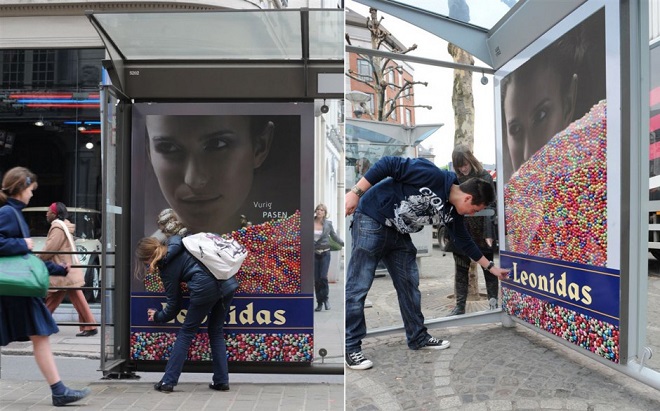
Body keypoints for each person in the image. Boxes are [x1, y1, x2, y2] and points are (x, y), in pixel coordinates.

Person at [344, 156, 510, 370]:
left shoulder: (452, 212)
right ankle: (351, 348)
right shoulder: (432, 175)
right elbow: (388, 164)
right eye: (475, 210)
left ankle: (418, 337)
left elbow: (464, 241)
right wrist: (355, 192)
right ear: (468, 198)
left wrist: (491, 267)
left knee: (409, 285)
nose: (473, 214)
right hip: (371, 219)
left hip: (398, 233)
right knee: (358, 287)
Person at [0, 167, 91, 406]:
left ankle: (59, 390)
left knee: (41, 336)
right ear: (21, 188)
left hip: (17, 289)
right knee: (40, 336)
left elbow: (24, 258)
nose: (32, 194)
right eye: (31, 190)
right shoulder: (8, 213)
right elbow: (16, 249)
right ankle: (58, 390)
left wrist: (58, 270)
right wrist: (22, 243)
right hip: (13, 289)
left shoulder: (13, 212)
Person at [135, 235, 239, 393]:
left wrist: (157, 316)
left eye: (145, 263)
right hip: (227, 283)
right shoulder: (179, 241)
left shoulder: (166, 267)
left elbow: (173, 307)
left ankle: (168, 382)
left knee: (186, 333)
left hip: (205, 289)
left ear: (148, 258)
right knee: (216, 331)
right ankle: (221, 380)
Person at [145, 115, 273, 235]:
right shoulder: (146, 256)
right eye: (168, 147)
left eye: (216, 144)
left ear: (259, 147)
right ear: (149, 151)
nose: (193, 180)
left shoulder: (272, 255)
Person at [447, 146, 499, 316]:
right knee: (461, 268)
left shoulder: (484, 177)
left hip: (481, 230)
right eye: (459, 165)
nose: (463, 168)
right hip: (462, 229)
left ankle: (493, 303)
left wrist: (489, 232)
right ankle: (460, 306)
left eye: (465, 164)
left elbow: (491, 205)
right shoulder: (455, 179)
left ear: (471, 160)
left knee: (488, 266)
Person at [41, 202, 98, 337]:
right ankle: (90, 326)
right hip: (67, 269)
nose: (46, 213)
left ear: (54, 214)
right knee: (59, 297)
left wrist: (38, 257)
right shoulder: (64, 225)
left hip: (62, 270)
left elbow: (50, 248)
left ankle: (41, 325)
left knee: (54, 297)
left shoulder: (57, 228)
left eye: (48, 211)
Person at [313, 203, 343, 312]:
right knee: (316, 279)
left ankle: (326, 299)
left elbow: (334, 236)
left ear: (325, 213)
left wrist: (342, 243)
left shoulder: (328, 224)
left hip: (325, 253)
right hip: (314, 253)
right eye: (318, 209)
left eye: (322, 210)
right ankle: (319, 303)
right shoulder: (310, 222)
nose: (319, 211)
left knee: (323, 277)